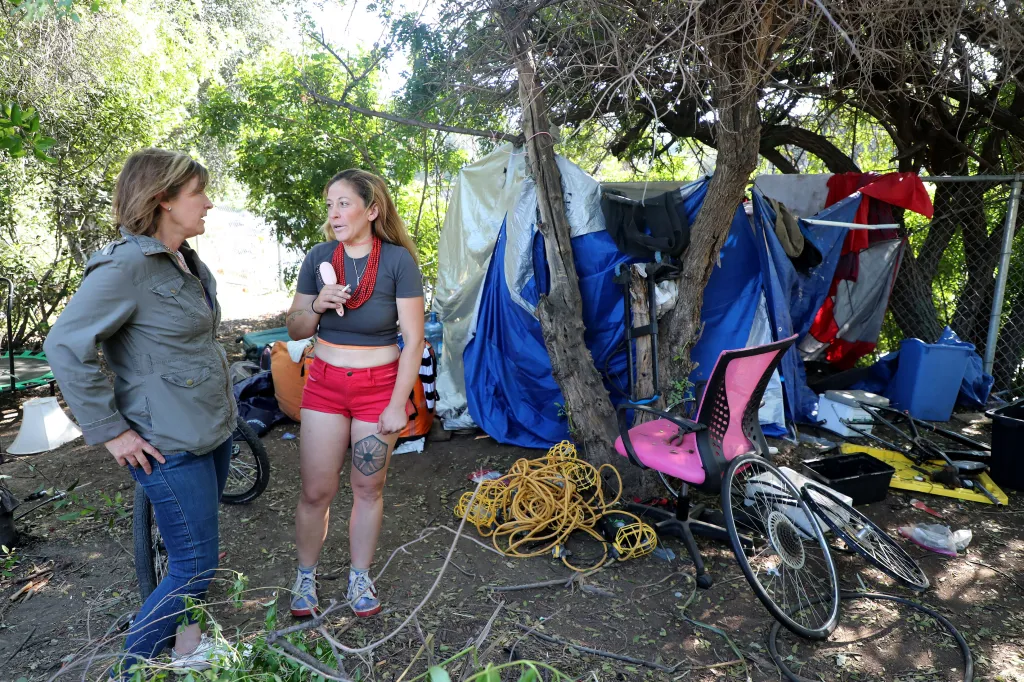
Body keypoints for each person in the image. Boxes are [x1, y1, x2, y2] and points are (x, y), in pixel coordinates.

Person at [44, 148, 235, 673]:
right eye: (199, 193)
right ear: (163, 200)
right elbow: (64, 345)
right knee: (195, 566)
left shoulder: (183, 259)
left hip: (209, 428)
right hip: (166, 441)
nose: (209, 204)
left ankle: (188, 651)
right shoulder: (125, 266)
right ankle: (131, 668)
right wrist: (112, 432)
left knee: (190, 555)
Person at [287, 169, 424, 618]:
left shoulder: (399, 262)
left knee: (369, 487)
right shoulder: (319, 258)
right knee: (316, 491)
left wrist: (396, 405)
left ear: (372, 210)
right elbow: (296, 329)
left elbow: (414, 340)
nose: (334, 213)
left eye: (343, 203)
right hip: (325, 384)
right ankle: (305, 577)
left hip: (378, 388)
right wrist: (316, 304)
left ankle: (359, 575)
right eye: (330, 205)